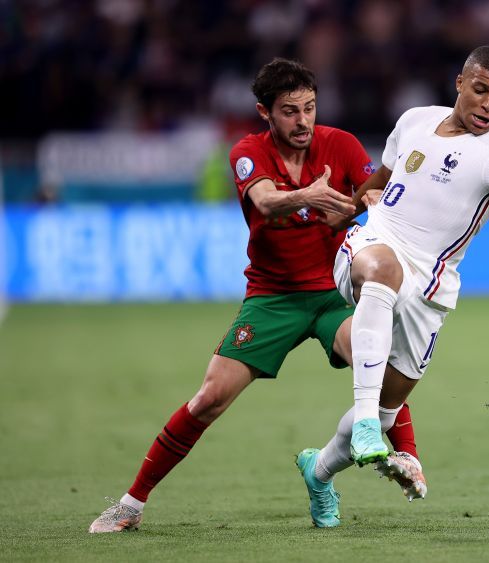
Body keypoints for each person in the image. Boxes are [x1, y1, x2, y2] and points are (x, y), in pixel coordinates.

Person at [89, 58, 426, 533]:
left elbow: (377, 190)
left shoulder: (342, 144)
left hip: (334, 292)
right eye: (290, 111)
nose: (303, 120)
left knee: (378, 362)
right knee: (208, 399)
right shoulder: (248, 151)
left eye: (309, 107)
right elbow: (265, 201)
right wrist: (309, 195)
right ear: (264, 112)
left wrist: (368, 201)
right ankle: (131, 503)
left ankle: (402, 458)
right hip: (272, 297)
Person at [296, 45, 489, 524]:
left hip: (431, 287)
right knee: (381, 274)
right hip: (373, 245)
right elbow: (381, 182)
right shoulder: (414, 121)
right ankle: (364, 422)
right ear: (460, 83)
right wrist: (350, 208)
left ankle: (319, 471)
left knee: (390, 408)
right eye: (482, 90)